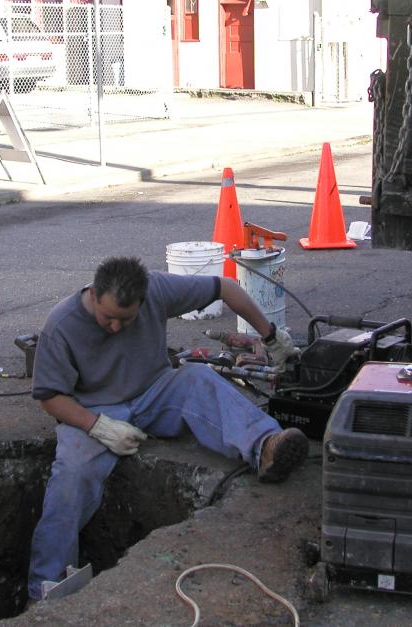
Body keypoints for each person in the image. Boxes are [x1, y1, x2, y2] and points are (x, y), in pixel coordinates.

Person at [26, 256, 308, 604]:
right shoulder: (62, 324)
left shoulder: (157, 289)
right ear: (94, 295)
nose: (115, 327)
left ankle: (265, 446)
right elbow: (49, 396)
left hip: (155, 392)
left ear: (143, 302)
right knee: (70, 478)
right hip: (91, 411)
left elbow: (226, 288)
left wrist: (270, 335)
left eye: (125, 320)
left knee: (199, 378)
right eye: (107, 318)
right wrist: (97, 426)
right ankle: (45, 591)